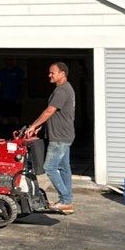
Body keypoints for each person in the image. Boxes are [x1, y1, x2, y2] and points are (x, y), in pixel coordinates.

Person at [26, 60, 76, 214]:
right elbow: (55, 114)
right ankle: (67, 201)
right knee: (64, 168)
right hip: (65, 135)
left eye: (52, 72)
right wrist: (40, 126)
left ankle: (65, 199)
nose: (49, 75)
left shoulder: (62, 91)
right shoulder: (66, 89)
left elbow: (49, 111)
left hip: (60, 137)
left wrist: (33, 125)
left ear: (62, 73)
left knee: (50, 167)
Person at [0, 55, 25, 132]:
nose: (9, 61)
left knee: (15, 117)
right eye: (7, 59)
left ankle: (17, 134)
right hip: (4, 99)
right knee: (4, 117)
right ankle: (5, 134)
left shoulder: (19, 71)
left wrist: (20, 98)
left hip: (15, 99)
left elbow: (23, 85)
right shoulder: (2, 72)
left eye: (11, 59)